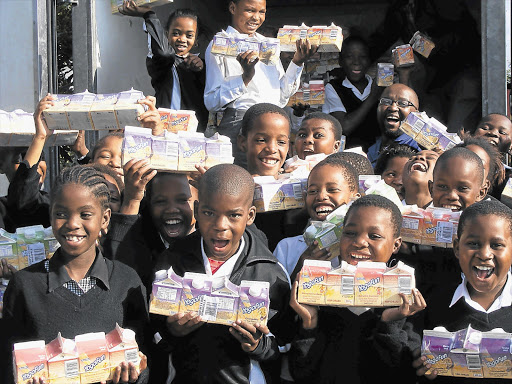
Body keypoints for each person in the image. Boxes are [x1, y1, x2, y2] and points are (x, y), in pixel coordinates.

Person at [1, 165, 149, 384]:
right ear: (50, 216)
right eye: (60, 214)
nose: (72, 224)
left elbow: (146, 359)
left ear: (105, 218)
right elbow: (7, 365)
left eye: (85, 214)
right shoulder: (25, 285)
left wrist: (136, 375)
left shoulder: (126, 282)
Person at [152, 164, 291, 384]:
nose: (220, 225)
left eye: (234, 215)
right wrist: (172, 331)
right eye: (209, 213)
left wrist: (258, 344)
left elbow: (285, 347)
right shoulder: (172, 263)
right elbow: (152, 335)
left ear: (250, 215)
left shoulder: (271, 273)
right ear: (197, 210)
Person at [288, 194, 426, 384]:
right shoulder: (319, 294)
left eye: (374, 236)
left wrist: (389, 323)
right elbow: (301, 373)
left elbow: (402, 375)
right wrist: (309, 324)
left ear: (396, 245)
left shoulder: (405, 302)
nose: (359, 242)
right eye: (350, 233)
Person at [204, 0, 316, 166]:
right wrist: (245, 78)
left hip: (273, 123)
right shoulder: (220, 45)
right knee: (239, 183)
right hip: (241, 124)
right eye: (249, 10)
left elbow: (281, 98)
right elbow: (211, 102)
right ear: (233, 8)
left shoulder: (267, 44)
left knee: (267, 184)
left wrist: (297, 62)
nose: (256, 18)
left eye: (261, 12)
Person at [412, 199, 512, 383]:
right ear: (457, 248)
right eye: (473, 244)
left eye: (497, 245)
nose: (484, 254)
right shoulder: (433, 303)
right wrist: (422, 368)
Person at [104, 159, 197, 291]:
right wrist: (132, 200)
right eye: (160, 201)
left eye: (182, 200)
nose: (171, 209)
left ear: (200, 204)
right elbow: (118, 273)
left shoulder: (212, 247)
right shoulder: (141, 245)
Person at [119, 1, 209, 131]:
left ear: (196, 41)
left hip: (193, 134)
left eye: (189, 35)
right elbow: (164, 52)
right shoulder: (162, 63)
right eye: (176, 33)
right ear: (166, 35)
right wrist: (149, 15)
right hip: (163, 130)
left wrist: (201, 69)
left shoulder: (203, 65)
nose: (182, 39)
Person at [274, 157, 360, 280]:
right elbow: (276, 296)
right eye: (313, 191)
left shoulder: (362, 246)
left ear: (354, 198)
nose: (321, 196)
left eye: (332, 190)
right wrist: (301, 268)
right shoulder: (287, 247)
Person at [323, 36, 382, 150]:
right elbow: (344, 127)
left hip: (379, 155)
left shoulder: (381, 85)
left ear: (370, 60)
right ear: (341, 61)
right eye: (350, 57)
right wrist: (373, 96)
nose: (356, 62)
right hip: (349, 158)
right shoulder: (333, 88)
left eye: (363, 57)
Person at [367, 83, 422, 166]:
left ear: (416, 114)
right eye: (386, 101)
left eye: (403, 103)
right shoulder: (372, 150)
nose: (393, 108)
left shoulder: (419, 150)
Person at [237, 103, 291, 177]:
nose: (272, 149)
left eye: (281, 142)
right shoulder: (233, 186)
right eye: (261, 140)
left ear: (288, 147)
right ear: (242, 143)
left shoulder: (299, 184)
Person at [456, 136, 506, 201]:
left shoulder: (491, 210)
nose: (468, 169)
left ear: (483, 190)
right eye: (462, 162)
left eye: (479, 167)